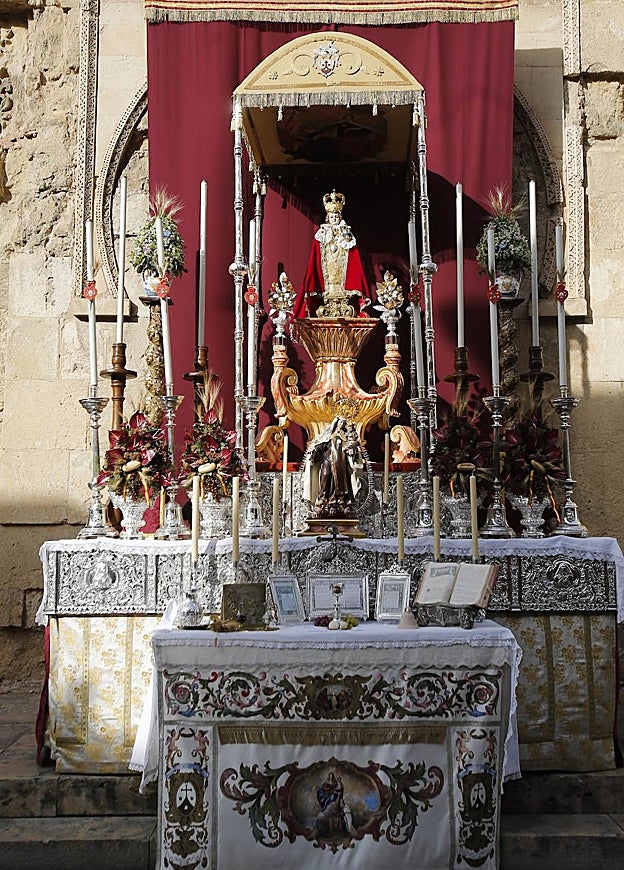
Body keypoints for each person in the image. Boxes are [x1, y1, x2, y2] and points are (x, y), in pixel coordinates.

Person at [293, 191, 372, 318]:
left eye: (336, 217)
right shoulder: (322, 233)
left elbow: (353, 257)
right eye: (331, 217)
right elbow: (316, 256)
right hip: (327, 272)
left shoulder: (346, 233)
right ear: (327, 218)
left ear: (340, 217)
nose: (334, 219)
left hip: (341, 270)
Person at [302, 416, 364, 519]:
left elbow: (354, 444)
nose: (342, 425)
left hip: (341, 463)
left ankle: (339, 500)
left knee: (340, 481)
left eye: (344, 423)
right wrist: (314, 452)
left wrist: (352, 451)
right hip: (328, 459)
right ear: (336, 423)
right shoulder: (329, 435)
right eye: (340, 422)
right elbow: (321, 445)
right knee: (326, 475)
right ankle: (322, 498)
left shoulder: (345, 436)